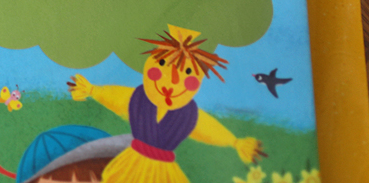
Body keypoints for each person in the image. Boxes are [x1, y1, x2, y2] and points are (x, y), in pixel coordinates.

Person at [68, 25, 265, 183]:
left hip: (165, 171)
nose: (172, 79)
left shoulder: (189, 114)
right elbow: (117, 98)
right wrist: (92, 90)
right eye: (163, 64)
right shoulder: (139, 98)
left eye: (187, 72)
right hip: (132, 164)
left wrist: (236, 142)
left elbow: (206, 127)